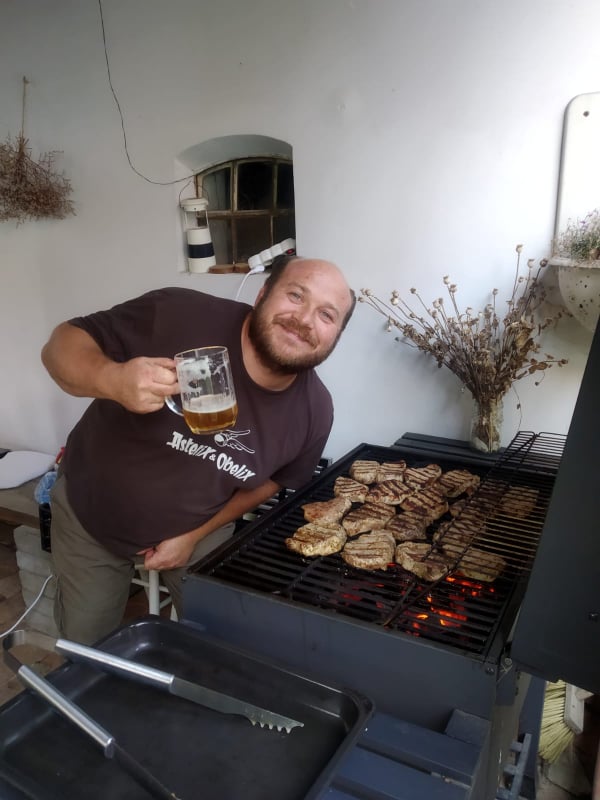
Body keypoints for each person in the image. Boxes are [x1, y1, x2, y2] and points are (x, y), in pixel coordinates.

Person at [41, 255, 356, 644]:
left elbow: (276, 480)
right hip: (89, 514)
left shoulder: (315, 412)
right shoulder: (180, 314)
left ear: (335, 336)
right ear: (262, 295)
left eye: (326, 315)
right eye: (295, 295)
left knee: (220, 645)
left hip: (199, 529)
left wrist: (194, 535)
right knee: (86, 646)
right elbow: (60, 345)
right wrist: (112, 379)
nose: (305, 319)